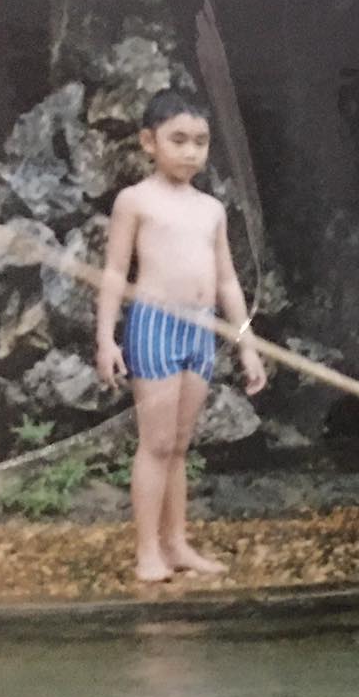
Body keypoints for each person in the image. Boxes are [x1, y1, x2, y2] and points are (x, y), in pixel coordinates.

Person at [92, 89, 267, 583]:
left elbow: (228, 281)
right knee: (156, 442)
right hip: (154, 325)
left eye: (200, 142)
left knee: (180, 445)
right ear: (149, 142)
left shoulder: (211, 209)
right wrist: (106, 338)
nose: (191, 151)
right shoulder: (135, 201)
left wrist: (247, 344)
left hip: (201, 328)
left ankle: (177, 542)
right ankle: (147, 550)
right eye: (179, 140)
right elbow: (113, 273)